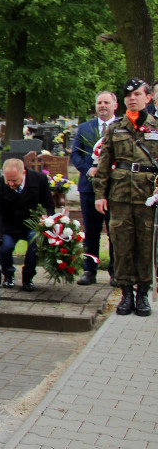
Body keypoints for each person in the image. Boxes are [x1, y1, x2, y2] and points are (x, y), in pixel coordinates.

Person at [94, 78, 158, 316]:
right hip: (120, 195)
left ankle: (142, 293)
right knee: (121, 245)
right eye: (129, 95)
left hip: (148, 196)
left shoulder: (156, 126)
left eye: (137, 95)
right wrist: (100, 194)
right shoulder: (115, 128)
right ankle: (126, 293)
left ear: (148, 98)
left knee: (146, 245)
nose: (133, 98)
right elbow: (104, 164)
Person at [70, 91, 118, 285]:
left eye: (106, 102)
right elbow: (75, 154)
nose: (102, 106)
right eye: (99, 103)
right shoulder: (85, 128)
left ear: (115, 105)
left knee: (115, 230)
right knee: (91, 230)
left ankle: (115, 272)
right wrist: (88, 169)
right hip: (89, 188)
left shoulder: (121, 128)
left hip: (115, 188)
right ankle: (90, 270)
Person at [0, 158, 54, 291]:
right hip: (10, 225)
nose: (11, 184)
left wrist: (46, 222)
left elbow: (48, 204)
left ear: (23, 173)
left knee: (35, 244)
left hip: (32, 224)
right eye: (8, 180)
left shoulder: (39, 179)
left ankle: (28, 277)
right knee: (5, 247)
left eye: (15, 180)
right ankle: (8, 275)